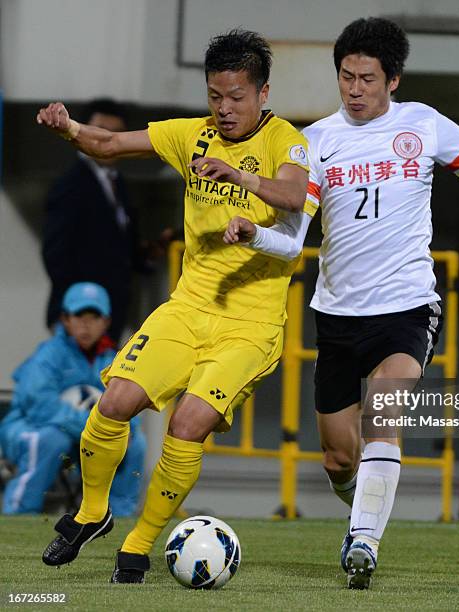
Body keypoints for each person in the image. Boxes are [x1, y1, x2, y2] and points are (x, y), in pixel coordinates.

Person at [223, 17, 459, 589]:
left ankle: (363, 544)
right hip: (338, 314)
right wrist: (255, 236)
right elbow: (294, 242)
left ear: (393, 80)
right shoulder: (314, 142)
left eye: (367, 78)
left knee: (386, 405)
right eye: (346, 77)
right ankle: (361, 508)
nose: (354, 89)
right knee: (338, 460)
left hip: (406, 306)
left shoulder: (425, 126)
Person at [36, 29, 310, 583]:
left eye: (236, 96)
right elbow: (110, 146)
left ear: (262, 92)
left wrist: (238, 176)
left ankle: (138, 545)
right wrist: (69, 130)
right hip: (186, 307)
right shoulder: (192, 134)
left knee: (187, 424)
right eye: (215, 95)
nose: (224, 108)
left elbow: (295, 196)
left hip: (249, 325)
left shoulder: (289, 140)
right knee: (114, 401)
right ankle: (93, 512)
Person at [0, 282, 145, 516]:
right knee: (50, 439)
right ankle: (19, 513)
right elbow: (40, 406)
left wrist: (126, 430)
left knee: (135, 443)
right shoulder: (49, 355)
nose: (86, 324)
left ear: (106, 322)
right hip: (28, 428)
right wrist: (92, 427)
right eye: (79, 316)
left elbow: (131, 403)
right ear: (66, 320)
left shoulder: (114, 360)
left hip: (80, 437)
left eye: (94, 316)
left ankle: (119, 518)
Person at [42, 98, 166, 342]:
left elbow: (116, 247)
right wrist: (79, 311)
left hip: (110, 313)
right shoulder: (70, 186)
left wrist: (147, 254)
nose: (106, 139)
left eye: (116, 133)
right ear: (83, 133)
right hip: (81, 316)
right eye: (99, 131)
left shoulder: (116, 182)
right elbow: (55, 255)